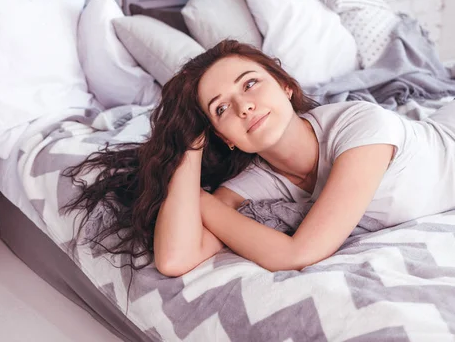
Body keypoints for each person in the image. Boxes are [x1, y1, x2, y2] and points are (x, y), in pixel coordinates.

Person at [63, 40, 455, 277]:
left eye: (250, 84)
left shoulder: (361, 127)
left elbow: (298, 254)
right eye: (221, 109)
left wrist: (202, 202)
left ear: (285, 87)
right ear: (223, 137)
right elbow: (175, 258)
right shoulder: (260, 179)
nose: (244, 108)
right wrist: (188, 149)